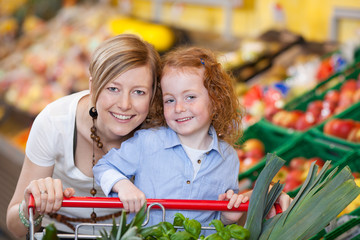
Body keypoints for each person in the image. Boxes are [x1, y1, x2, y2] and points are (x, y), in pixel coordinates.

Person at [93, 47, 292, 231]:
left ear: (216, 100)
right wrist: (123, 185)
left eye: (190, 97)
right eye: (170, 100)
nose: (179, 108)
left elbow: (216, 218)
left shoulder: (228, 158)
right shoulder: (148, 142)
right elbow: (104, 167)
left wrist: (228, 216)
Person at [6, 34, 163, 237]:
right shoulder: (55, 122)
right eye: (113, 88)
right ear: (93, 87)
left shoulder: (160, 131)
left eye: (139, 92)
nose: (125, 104)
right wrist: (31, 206)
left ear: (153, 93)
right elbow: (14, 226)